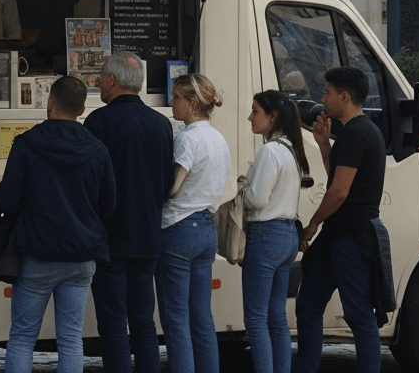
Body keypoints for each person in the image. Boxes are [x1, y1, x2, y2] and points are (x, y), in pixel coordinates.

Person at [0, 75, 115, 373]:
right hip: (81, 258)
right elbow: (109, 207)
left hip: (37, 255)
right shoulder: (98, 150)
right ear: (82, 109)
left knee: (23, 338)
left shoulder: (26, 145)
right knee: (71, 340)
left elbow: (8, 201)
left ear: (49, 104)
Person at [82, 52, 175, 373]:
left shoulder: (98, 122)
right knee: (144, 323)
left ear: (112, 80)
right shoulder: (162, 125)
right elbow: (167, 185)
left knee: (113, 325)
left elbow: (90, 184)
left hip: (109, 239)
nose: (97, 85)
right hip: (148, 237)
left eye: (100, 78)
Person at [296, 67, 387, 373]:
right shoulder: (359, 132)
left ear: (344, 97)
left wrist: (312, 223)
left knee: (359, 316)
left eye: (327, 92)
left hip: (350, 239)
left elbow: (338, 191)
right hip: (340, 238)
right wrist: (323, 144)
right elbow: (339, 174)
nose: (323, 99)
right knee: (308, 306)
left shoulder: (355, 133)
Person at [156, 73, 231, 373]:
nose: (171, 103)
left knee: (175, 319)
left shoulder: (187, 138)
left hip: (179, 227)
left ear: (191, 102)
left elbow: (174, 186)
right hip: (206, 228)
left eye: (175, 97)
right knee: (202, 317)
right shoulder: (218, 138)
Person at [237, 90, 310, 373]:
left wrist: (244, 186)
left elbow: (256, 200)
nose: (250, 117)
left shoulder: (269, 151)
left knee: (255, 319)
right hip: (287, 236)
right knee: (277, 316)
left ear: (272, 116)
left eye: (255, 111)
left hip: (265, 236)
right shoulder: (291, 149)